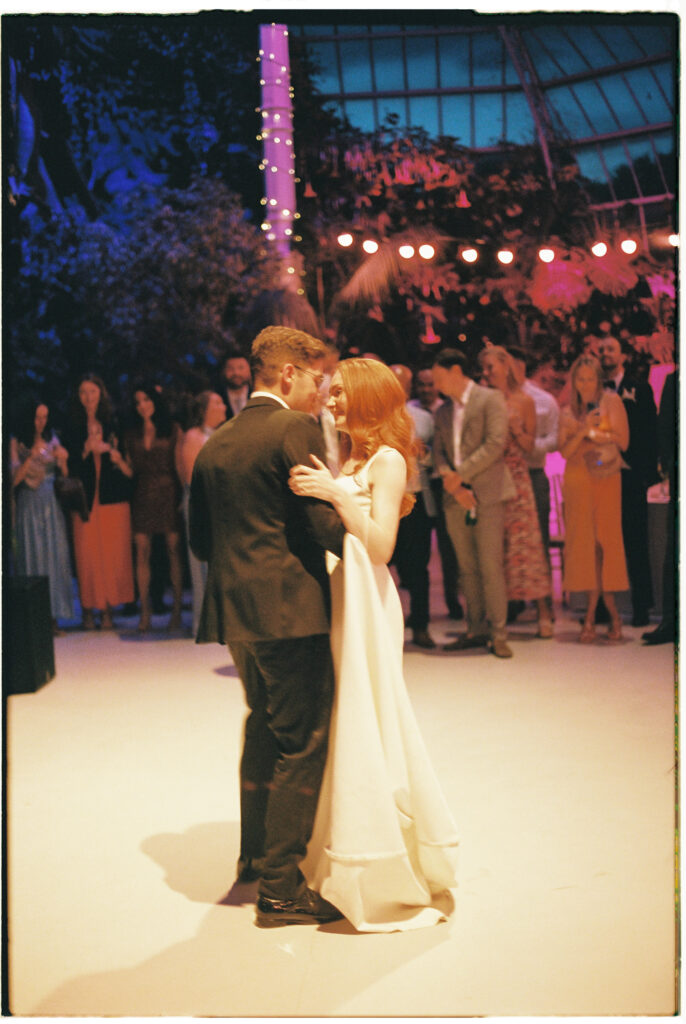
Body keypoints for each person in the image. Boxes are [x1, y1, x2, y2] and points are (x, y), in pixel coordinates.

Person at [289, 357, 459, 931]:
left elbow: (383, 545)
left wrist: (336, 497)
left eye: (339, 394)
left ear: (363, 397)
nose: (330, 401)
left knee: (373, 718)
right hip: (344, 598)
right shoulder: (352, 458)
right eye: (329, 393)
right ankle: (342, 853)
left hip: (369, 601)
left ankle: (382, 863)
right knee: (344, 719)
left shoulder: (387, 460)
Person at [190, 326, 346, 929]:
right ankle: (281, 886)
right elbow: (323, 529)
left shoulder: (216, 441)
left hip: (236, 615)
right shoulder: (293, 430)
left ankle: (253, 857)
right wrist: (361, 512)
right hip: (289, 609)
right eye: (313, 378)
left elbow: (202, 542)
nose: (318, 390)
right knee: (302, 741)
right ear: (287, 375)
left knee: (262, 727)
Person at [432, 348, 515, 658]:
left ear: (456, 371)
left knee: (490, 565)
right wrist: (452, 482)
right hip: (456, 499)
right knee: (467, 568)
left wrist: (459, 476)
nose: (436, 383)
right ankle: (475, 629)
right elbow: (438, 451)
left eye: (440, 376)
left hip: (489, 495)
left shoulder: (490, 399)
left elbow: (495, 443)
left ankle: (499, 633)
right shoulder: (442, 412)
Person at [480, 347, 553, 638]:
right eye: (483, 368)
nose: (486, 373)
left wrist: (515, 428)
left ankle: (543, 612)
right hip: (490, 477)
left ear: (506, 367)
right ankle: (496, 614)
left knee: (527, 546)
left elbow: (529, 446)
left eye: (491, 367)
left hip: (518, 477)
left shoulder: (524, 401)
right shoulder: (483, 400)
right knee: (494, 548)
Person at [558, 354, 630, 643]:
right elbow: (563, 451)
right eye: (580, 378)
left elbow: (623, 441)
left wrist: (595, 434)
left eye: (590, 378)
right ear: (573, 381)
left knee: (607, 544)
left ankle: (613, 614)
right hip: (577, 480)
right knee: (584, 547)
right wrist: (585, 428)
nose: (585, 384)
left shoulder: (613, 402)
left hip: (607, 479)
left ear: (599, 380)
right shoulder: (567, 411)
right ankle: (588, 617)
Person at [598, 334, 659, 627]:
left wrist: (647, 475)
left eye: (610, 349)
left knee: (635, 541)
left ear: (622, 356)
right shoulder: (592, 391)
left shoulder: (640, 388)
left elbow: (650, 432)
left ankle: (641, 606)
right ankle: (600, 606)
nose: (605, 354)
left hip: (631, 477)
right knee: (602, 541)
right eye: (601, 350)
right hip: (600, 476)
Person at [66, 374, 134, 630]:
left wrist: (109, 452)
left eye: (92, 391)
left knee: (110, 553)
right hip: (83, 499)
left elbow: (125, 461)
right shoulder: (72, 425)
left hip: (111, 496)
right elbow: (67, 466)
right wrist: (85, 449)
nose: (88, 397)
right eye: (83, 392)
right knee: (86, 555)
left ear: (101, 393)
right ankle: (87, 609)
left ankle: (107, 608)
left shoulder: (113, 421)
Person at [10, 398, 74, 630]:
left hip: (50, 501)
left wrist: (63, 459)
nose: (41, 421)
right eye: (37, 416)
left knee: (54, 555)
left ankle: (54, 615)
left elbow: (63, 474)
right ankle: (33, 618)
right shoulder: (17, 443)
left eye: (45, 416)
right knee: (32, 554)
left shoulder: (52, 439)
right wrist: (30, 457)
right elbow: (14, 480)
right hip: (29, 501)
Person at [125, 383, 184, 632]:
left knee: (173, 551)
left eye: (146, 400)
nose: (142, 406)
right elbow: (132, 470)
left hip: (168, 490)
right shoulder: (132, 433)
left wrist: (184, 496)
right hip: (142, 491)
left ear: (155, 401)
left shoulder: (172, 429)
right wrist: (118, 461)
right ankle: (145, 612)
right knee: (141, 550)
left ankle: (177, 611)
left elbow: (179, 465)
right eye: (138, 402)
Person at [389, 364, 437, 648]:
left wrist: (424, 453)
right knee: (381, 567)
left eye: (402, 383)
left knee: (418, 567)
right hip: (383, 500)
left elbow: (434, 457)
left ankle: (421, 625)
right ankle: (384, 627)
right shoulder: (372, 417)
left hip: (415, 499)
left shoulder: (423, 418)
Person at [410, 366, 463, 620]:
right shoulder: (409, 411)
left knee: (450, 548)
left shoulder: (447, 409)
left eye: (431, 385)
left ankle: (454, 601)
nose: (427, 390)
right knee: (416, 554)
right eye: (422, 385)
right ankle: (418, 613)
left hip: (444, 486)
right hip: (418, 491)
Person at [178, 391, 227, 636]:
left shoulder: (221, 434)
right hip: (201, 506)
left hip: (220, 507)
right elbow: (191, 478)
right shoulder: (193, 436)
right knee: (201, 566)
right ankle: (204, 623)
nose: (223, 406)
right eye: (217, 403)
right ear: (205, 409)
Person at [642, 369, 676, 645]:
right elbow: (664, 427)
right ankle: (671, 620)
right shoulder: (675, 379)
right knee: (674, 549)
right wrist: (668, 468)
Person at [215, 349, 251, 420]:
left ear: (249, 370)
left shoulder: (258, 395)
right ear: (224, 371)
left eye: (241, 368)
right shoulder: (218, 399)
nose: (236, 373)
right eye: (230, 369)